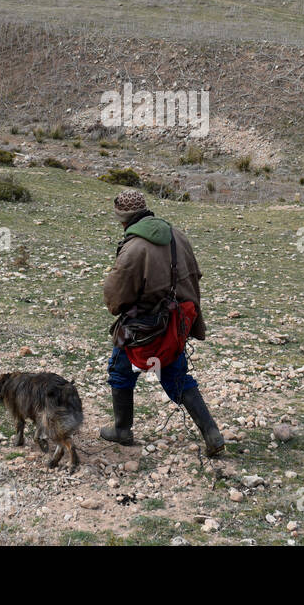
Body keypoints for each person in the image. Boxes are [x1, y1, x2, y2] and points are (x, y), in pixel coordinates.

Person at [100, 189, 224, 456]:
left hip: (142, 328)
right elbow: (194, 275)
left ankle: (122, 430)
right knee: (176, 376)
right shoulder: (176, 235)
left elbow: (115, 297)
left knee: (120, 371)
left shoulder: (133, 248)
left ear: (122, 218)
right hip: (177, 324)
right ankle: (212, 432)